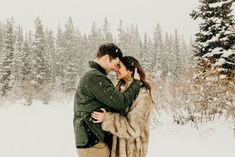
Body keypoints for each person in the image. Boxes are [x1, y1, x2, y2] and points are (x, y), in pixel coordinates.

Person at [73, 43, 142, 157]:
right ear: (106, 58)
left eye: (118, 66)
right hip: (93, 142)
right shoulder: (95, 77)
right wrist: (136, 84)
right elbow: (120, 102)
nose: (114, 69)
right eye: (115, 64)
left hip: (92, 140)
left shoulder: (93, 75)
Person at [92, 56, 154, 157]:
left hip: (131, 152)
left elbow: (132, 128)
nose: (115, 69)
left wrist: (107, 118)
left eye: (119, 66)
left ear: (130, 71)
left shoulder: (142, 96)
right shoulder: (119, 91)